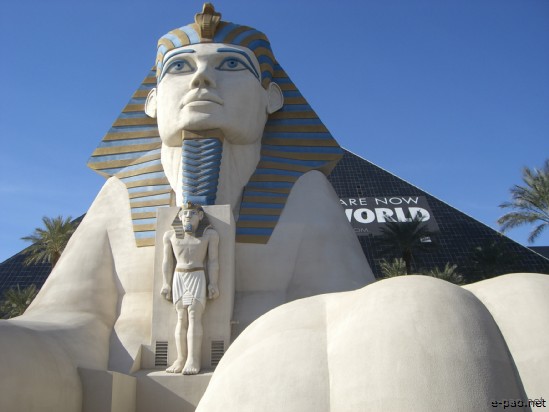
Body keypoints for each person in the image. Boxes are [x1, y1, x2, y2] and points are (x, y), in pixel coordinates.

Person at [160, 202, 219, 375]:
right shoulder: (170, 236)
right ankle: (181, 358)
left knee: (194, 316)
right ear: (179, 216)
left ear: (200, 216)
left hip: (197, 275)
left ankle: (193, 359)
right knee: (181, 317)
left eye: (192, 213)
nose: (188, 217)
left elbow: (213, 261)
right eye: (185, 214)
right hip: (179, 276)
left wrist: (213, 283)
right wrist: (166, 283)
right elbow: (167, 262)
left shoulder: (210, 235)